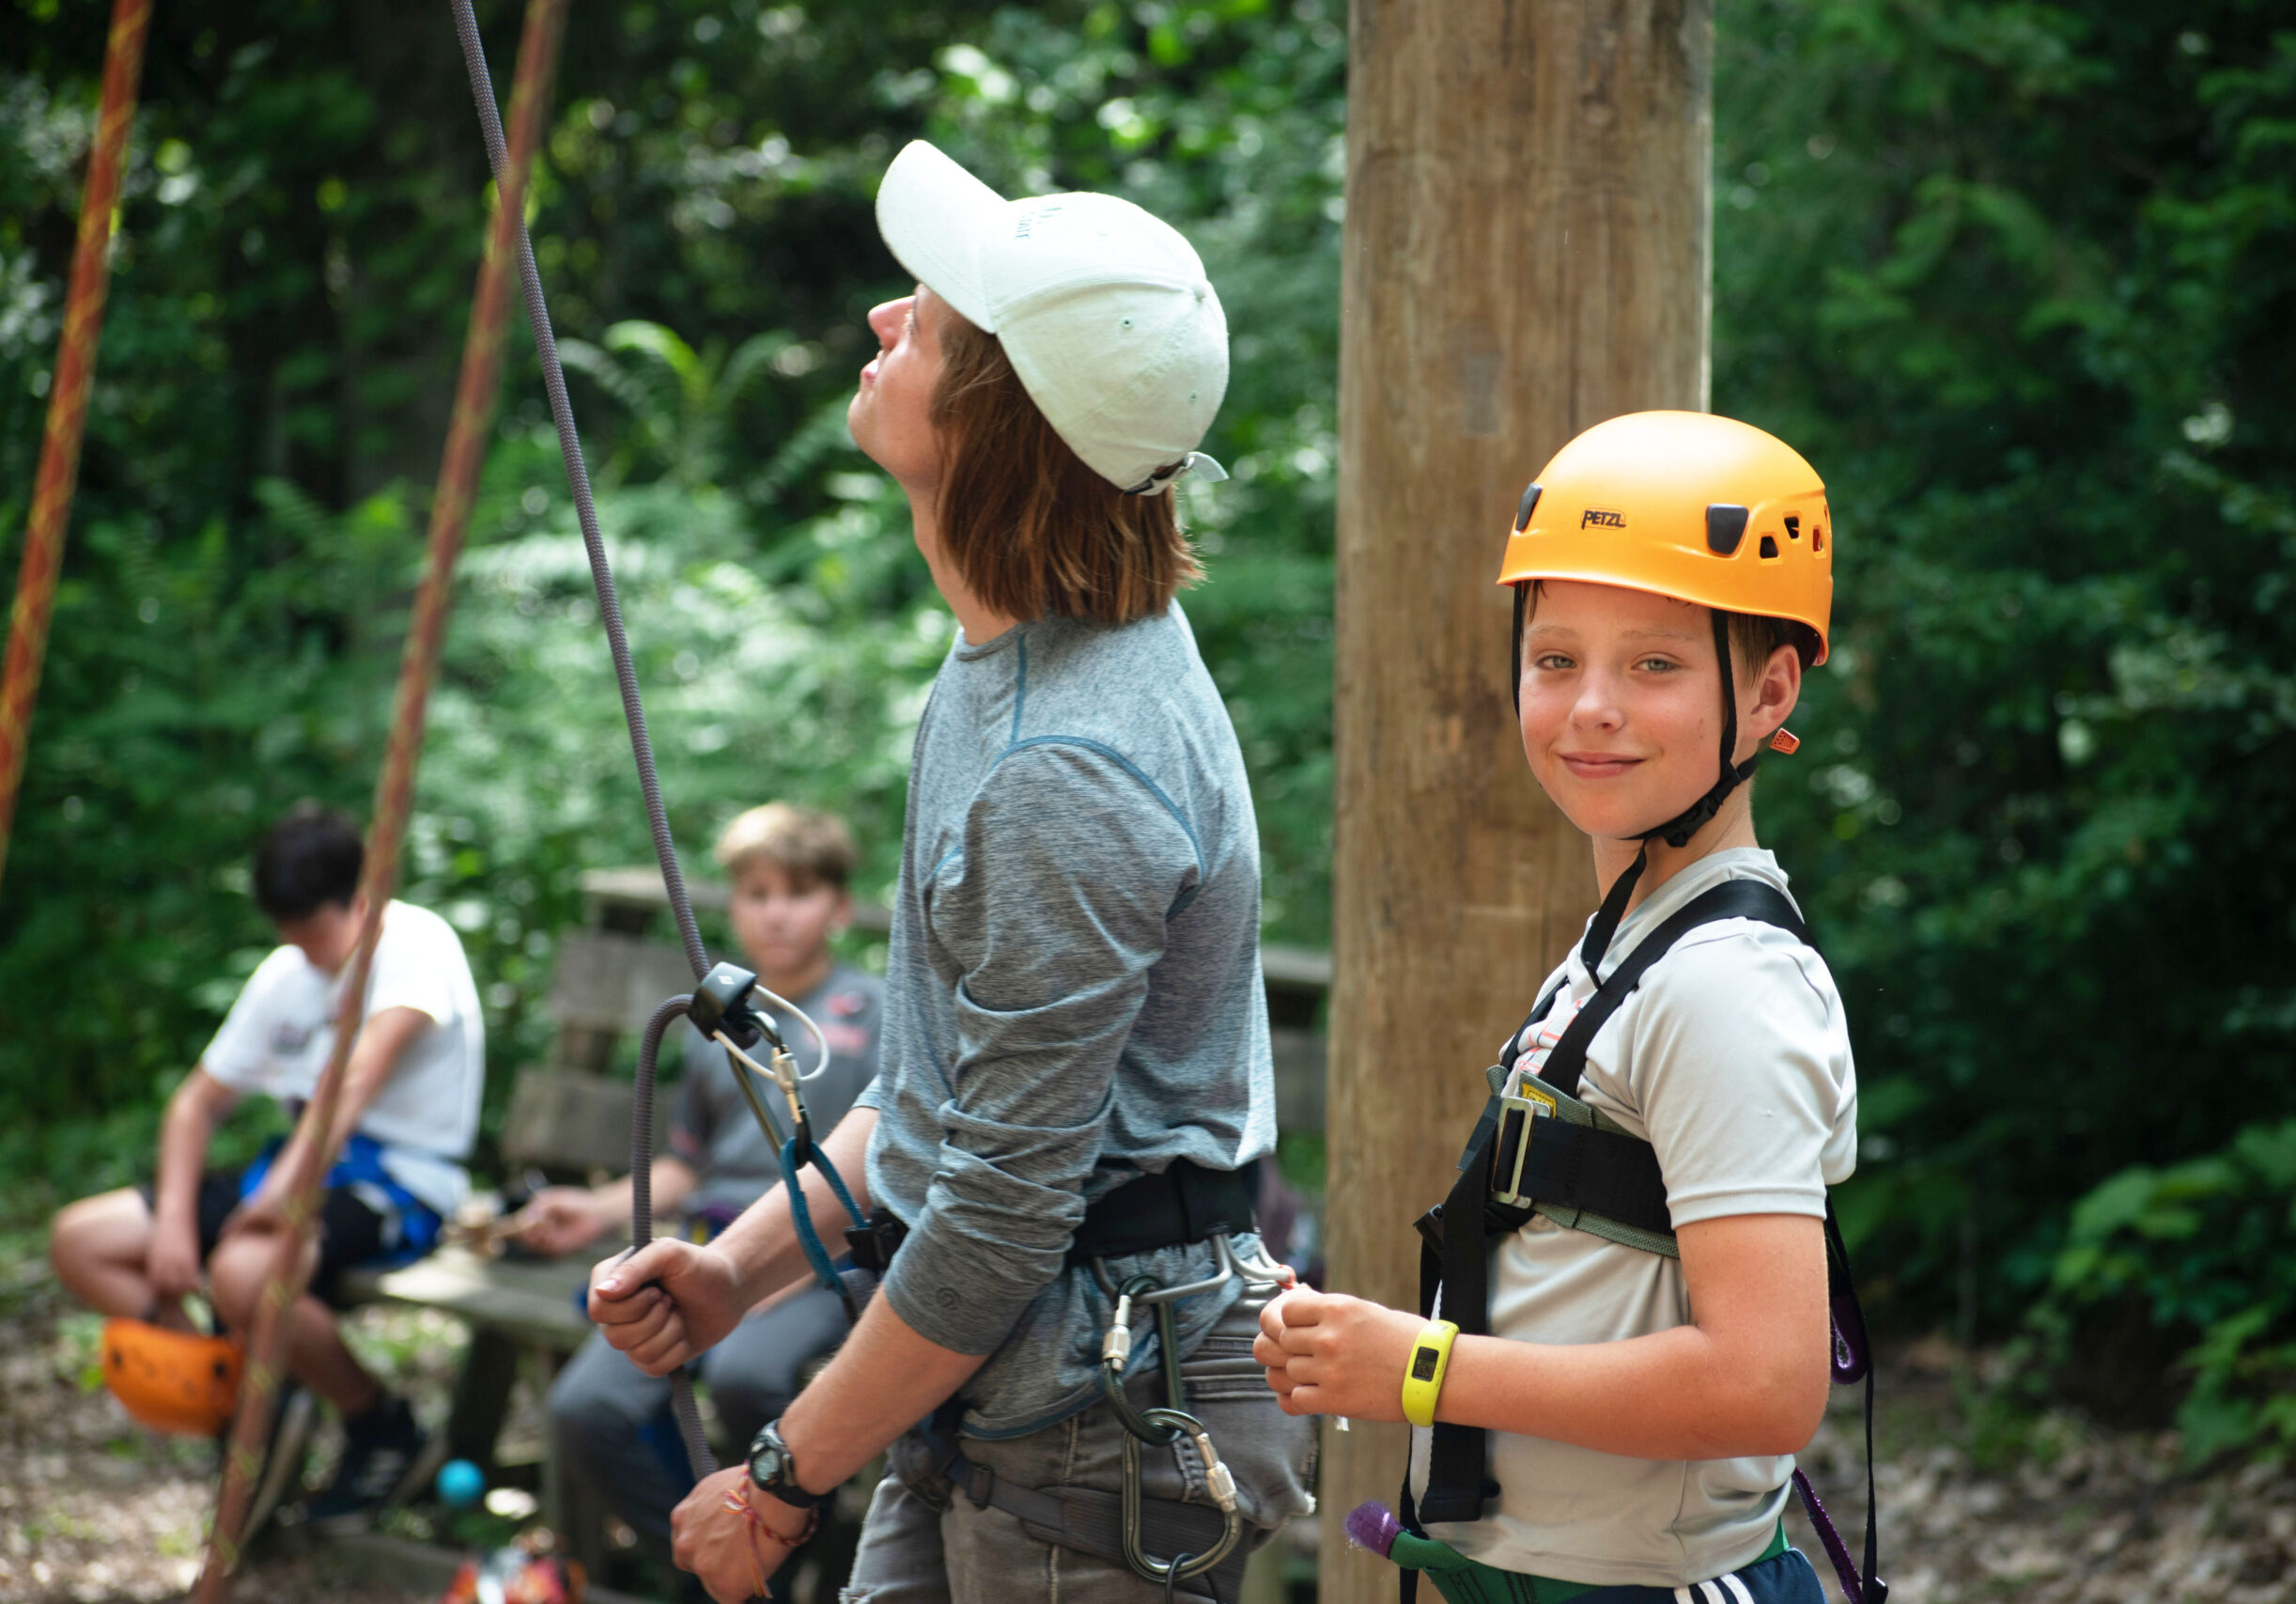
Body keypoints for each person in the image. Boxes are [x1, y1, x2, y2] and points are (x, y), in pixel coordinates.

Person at [583, 140, 1315, 1604]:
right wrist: (735, 1269)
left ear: (998, 419)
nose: (879, 322)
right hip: (1021, 1385)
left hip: (1099, 1433)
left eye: (924, 317)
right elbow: (944, 1093)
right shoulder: (1013, 661)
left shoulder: (1068, 762)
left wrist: (782, 1479)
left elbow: (997, 1214)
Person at [1253, 413, 1862, 1604]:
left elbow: (1764, 1386)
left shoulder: (1721, 984)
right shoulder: (1630, 943)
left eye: (1654, 664)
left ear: (1769, 688)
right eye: (1553, 659)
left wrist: (1421, 1370)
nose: (1589, 705)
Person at [49, 802, 484, 1528]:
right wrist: (176, 1228)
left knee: (244, 1272)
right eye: (287, 931)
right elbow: (194, 1105)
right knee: (80, 1240)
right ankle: (241, 1381)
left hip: (398, 1182)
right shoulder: (289, 972)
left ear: (360, 898)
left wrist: (276, 1198)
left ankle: (380, 1423)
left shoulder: (414, 945)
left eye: (312, 930)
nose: (303, 948)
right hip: (290, 1165)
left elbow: (349, 1086)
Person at [524, 803, 884, 1552]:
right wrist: (591, 1210)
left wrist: (772, 1271)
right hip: (706, 1242)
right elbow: (687, 1162)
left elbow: (887, 1162)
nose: (776, 912)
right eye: (757, 893)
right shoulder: (717, 1020)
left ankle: (803, 1555)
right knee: (585, 1406)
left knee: (748, 1378)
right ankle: (702, 1559)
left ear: (840, 905)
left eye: (798, 891)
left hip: (826, 1256)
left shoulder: (870, 1013)